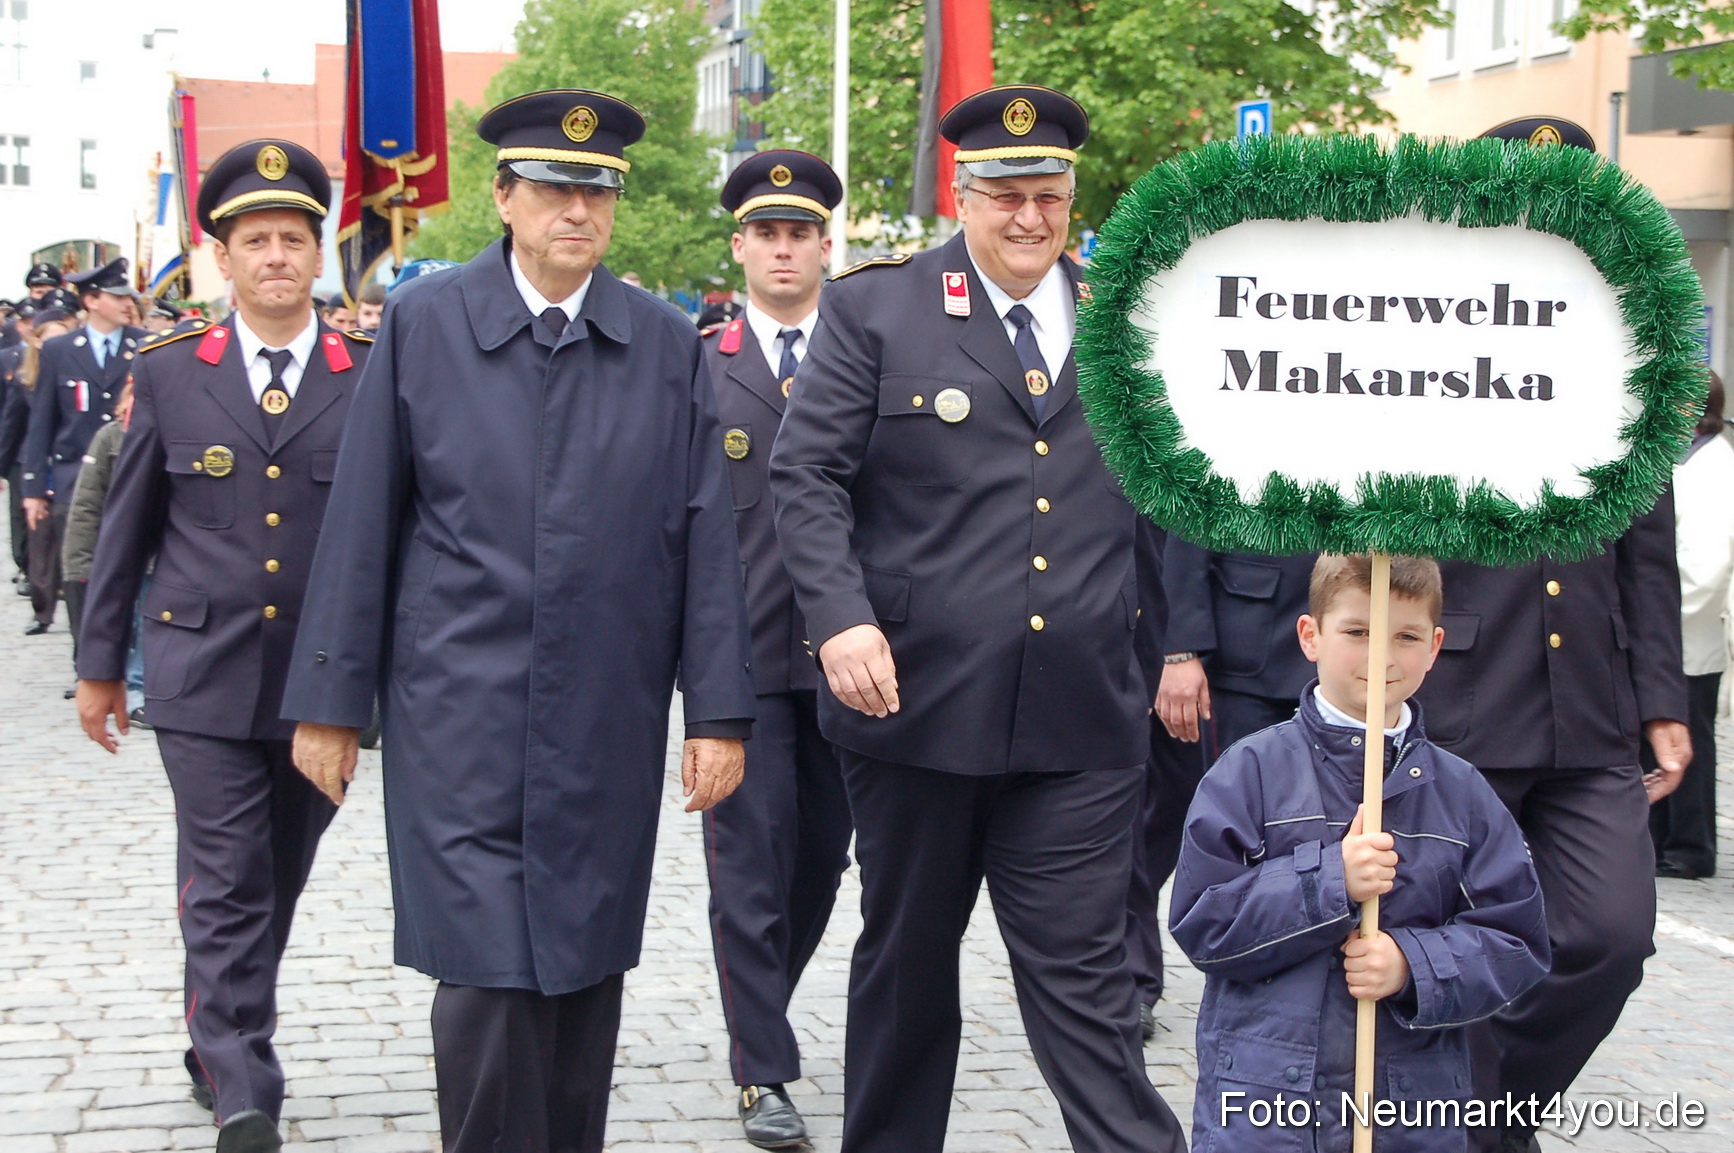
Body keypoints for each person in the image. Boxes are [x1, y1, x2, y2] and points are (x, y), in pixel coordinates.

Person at [281, 89, 756, 1153]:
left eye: (596, 192)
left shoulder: (666, 345)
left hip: (606, 713)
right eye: (551, 188)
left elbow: (706, 539)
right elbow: (363, 518)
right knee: (490, 981)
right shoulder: (426, 323)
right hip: (460, 715)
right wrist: (327, 700)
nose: (575, 211)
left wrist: (720, 712)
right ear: (504, 196)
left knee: (584, 974)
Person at [768, 84, 1184, 1153]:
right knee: (908, 964)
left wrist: (1176, 646)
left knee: (1085, 980)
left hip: (1082, 717)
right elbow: (806, 474)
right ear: (965, 193)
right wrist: (841, 618)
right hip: (915, 703)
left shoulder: (1129, 324)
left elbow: (1171, 502)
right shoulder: (877, 308)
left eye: (1050, 196)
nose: (1031, 219)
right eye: (1007, 197)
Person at [73, 139, 372, 1153]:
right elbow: (126, 530)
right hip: (200, 676)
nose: (278, 256)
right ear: (225, 258)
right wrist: (98, 664)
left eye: (294, 238)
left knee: (278, 874)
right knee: (229, 873)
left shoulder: (367, 375)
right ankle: (247, 1081)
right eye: (257, 240)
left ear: (318, 255)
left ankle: (215, 1038)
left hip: (320, 685)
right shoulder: (171, 377)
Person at [1415, 116, 1692, 1153]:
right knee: (1459, 939)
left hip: (1592, 703)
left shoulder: (1627, 347)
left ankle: (1487, 1115)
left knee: (1611, 936)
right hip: (1459, 692)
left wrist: (1662, 699)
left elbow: (1646, 548)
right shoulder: (1420, 336)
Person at [1170, 554, 1550, 1153]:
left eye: (1406, 636)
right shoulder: (1250, 771)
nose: (1382, 655)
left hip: (1408, 1112)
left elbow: (1516, 939)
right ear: (1310, 635)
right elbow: (1204, 923)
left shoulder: (1462, 793)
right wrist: (1329, 880)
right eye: (1358, 632)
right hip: (1268, 1107)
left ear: (1435, 646)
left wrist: (1412, 966)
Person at [701, 149, 853, 1150]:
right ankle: (764, 1069)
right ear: (741, 246)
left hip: (847, 659)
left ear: (825, 246)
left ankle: (761, 1022)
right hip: (741, 657)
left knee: (817, 869)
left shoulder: (868, 352)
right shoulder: (695, 364)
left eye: (801, 232)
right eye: (768, 231)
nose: (784, 246)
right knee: (747, 869)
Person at [1126, 543, 1320, 1032]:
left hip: (1337, 644)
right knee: (1177, 823)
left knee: (1309, 834)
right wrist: (1177, 649)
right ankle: (1126, 977)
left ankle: (1291, 984)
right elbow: (1184, 519)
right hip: (1240, 651)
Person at [20, 258, 146, 647]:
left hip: (130, 474)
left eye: (129, 296)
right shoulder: (59, 349)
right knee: (79, 569)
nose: (127, 303)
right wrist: (34, 488)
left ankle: (129, 657)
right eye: (116, 295)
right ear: (91, 300)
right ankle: (85, 655)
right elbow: (42, 420)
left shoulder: (142, 344)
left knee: (132, 568)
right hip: (75, 478)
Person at [1650, 371, 1734, 879]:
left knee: (1689, 743)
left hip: (1685, 635)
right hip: (1677, 635)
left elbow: (1705, 570)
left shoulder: (1710, 470)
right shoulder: (1693, 461)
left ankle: (1689, 847)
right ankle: (1672, 842)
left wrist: (1655, 623)